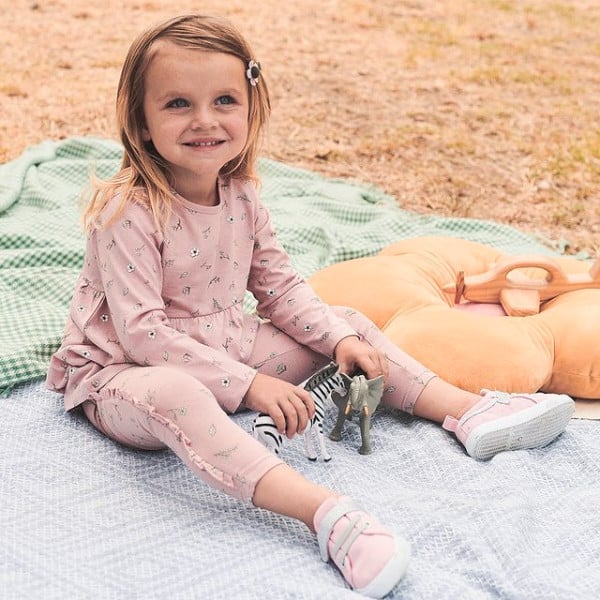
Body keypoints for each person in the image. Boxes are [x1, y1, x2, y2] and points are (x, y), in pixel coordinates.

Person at [45, 14, 575, 598]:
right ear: (141, 123)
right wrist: (249, 387)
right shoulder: (130, 212)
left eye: (224, 99)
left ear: (252, 109)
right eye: (177, 104)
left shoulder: (242, 196)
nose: (204, 120)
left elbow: (281, 289)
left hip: (224, 341)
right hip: (126, 374)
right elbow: (143, 335)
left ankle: (468, 414)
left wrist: (339, 343)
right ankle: (329, 519)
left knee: (344, 323)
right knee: (182, 394)